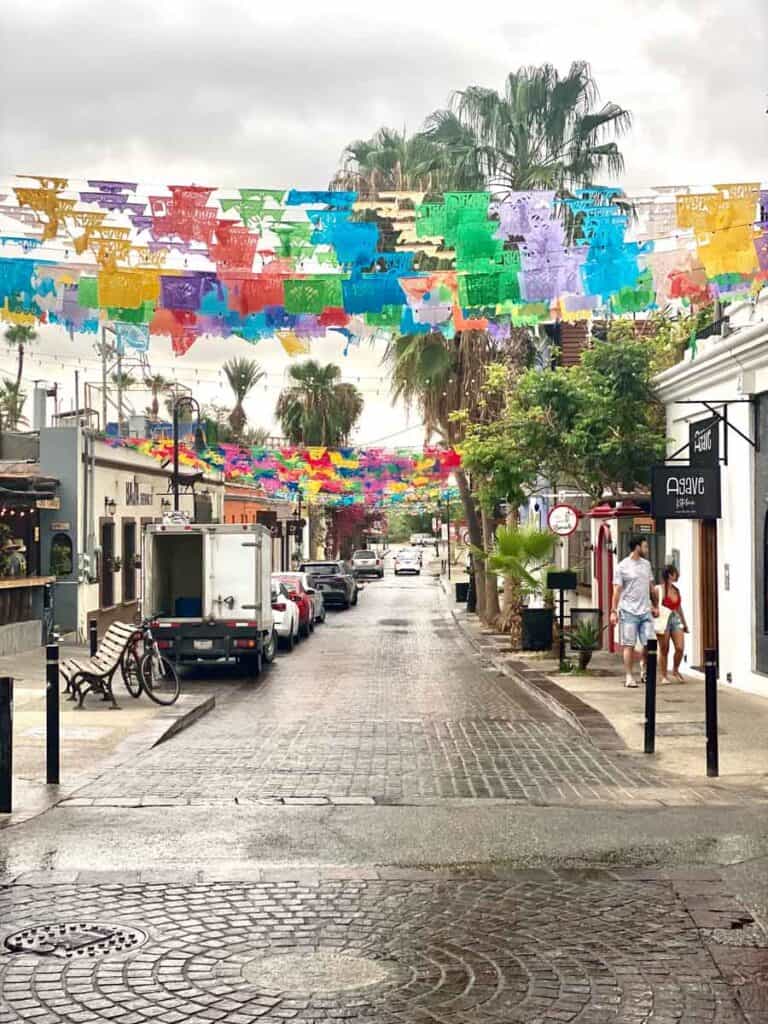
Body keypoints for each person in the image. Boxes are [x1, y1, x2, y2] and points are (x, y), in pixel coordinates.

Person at [609, 535, 659, 688]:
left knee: (649, 643)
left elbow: (651, 587)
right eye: (645, 546)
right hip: (628, 611)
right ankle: (629, 676)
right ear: (637, 547)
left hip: (645, 611)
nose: (647, 549)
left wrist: (655, 605)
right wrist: (613, 611)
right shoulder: (622, 566)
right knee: (628, 645)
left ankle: (644, 668)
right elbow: (617, 590)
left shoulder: (647, 565)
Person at [656, 565, 688, 682]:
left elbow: (679, 608)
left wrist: (684, 623)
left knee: (680, 647)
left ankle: (675, 669)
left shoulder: (676, 590)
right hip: (664, 619)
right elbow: (653, 603)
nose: (677, 575)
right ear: (670, 575)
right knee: (664, 648)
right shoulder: (659, 589)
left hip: (675, 619)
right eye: (675, 573)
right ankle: (663, 675)